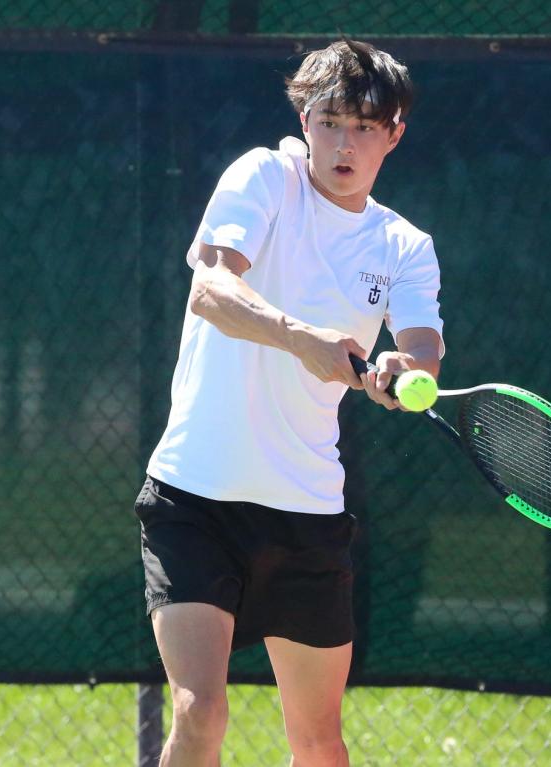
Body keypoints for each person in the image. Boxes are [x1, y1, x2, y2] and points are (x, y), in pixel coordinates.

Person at [135, 39, 444, 767]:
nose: (345, 142)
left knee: (316, 739)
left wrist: (401, 369)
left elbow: (422, 352)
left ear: (394, 134)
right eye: (330, 121)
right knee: (201, 710)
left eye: (366, 127)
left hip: (307, 515)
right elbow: (211, 288)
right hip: (194, 499)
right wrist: (299, 336)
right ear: (303, 120)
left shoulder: (404, 246)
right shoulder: (264, 178)